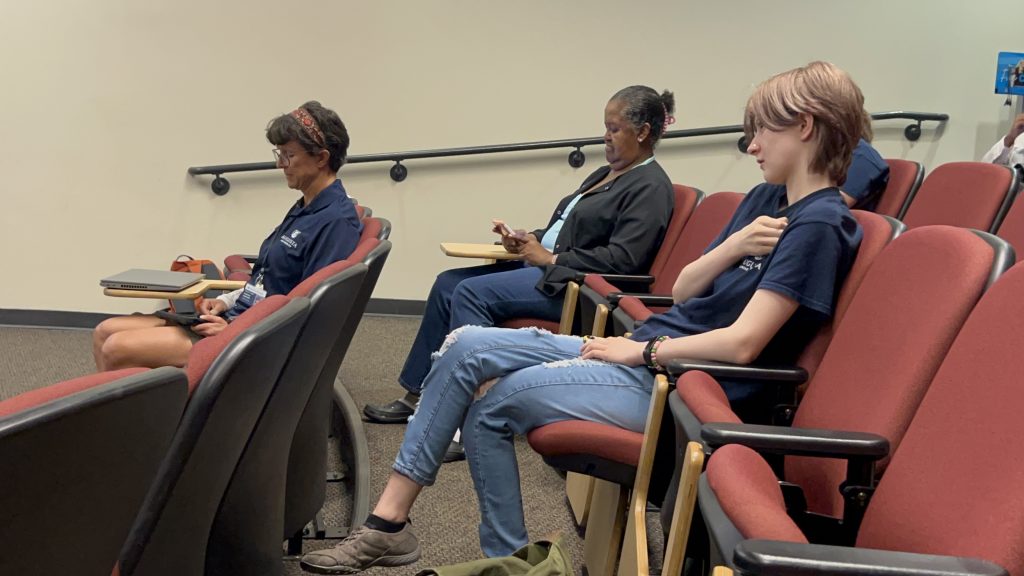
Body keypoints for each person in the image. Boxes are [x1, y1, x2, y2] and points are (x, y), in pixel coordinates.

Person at [299, 61, 865, 574]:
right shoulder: (765, 203)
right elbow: (688, 285)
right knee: (468, 345)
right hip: (655, 351)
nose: (752, 145)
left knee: (490, 409)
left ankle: (469, 550)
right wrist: (734, 244)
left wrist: (638, 351)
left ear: (807, 126)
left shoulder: (818, 225)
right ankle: (395, 527)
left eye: (763, 129)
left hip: (678, 385)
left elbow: (744, 345)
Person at [363, 86, 676, 434]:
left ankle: (464, 415)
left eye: (614, 129)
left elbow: (623, 260)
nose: (605, 137)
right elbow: (568, 227)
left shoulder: (650, 186)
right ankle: (418, 394)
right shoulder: (605, 174)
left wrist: (551, 257)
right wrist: (529, 239)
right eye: (605, 127)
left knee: (470, 293)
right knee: (448, 284)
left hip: (576, 287)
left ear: (643, 132)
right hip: (548, 268)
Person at [92, 101, 362, 371]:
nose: (281, 164)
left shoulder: (336, 221)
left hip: (253, 337)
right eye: (279, 153)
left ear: (321, 158)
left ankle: (145, 412)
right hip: (238, 319)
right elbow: (265, 282)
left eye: (288, 155)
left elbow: (308, 309)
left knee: (117, 348)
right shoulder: (307, 205)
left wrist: (233, 328)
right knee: (104, 332)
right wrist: (224, 301)